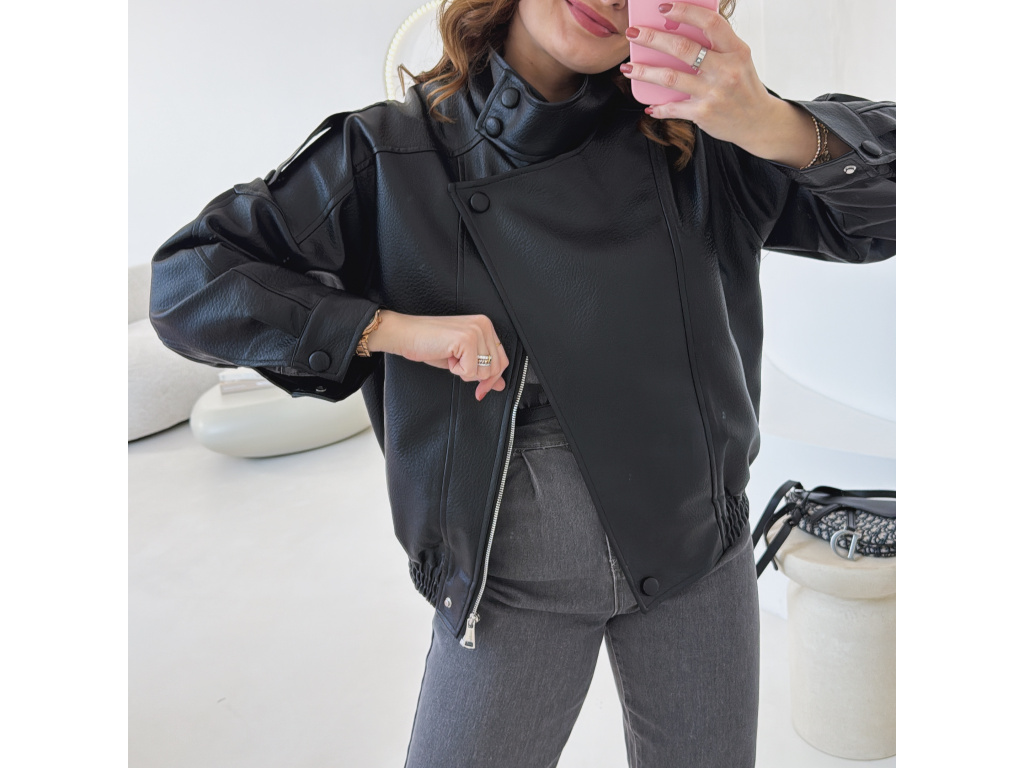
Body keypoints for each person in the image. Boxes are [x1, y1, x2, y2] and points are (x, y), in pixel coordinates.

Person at [149, 0, 896, 765]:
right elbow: (188, 285)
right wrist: (389, 329)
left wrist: (770, 121)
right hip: (509, 579)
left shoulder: (698, 139)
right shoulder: (389, 154)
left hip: (698, 550)